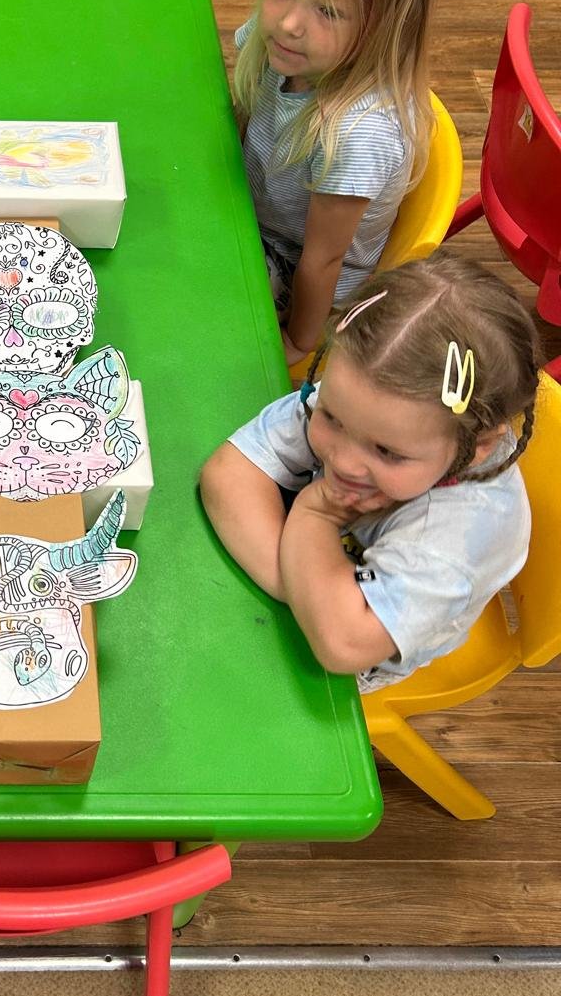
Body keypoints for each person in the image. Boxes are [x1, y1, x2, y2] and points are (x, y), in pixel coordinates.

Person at [199, 252, 540, 693]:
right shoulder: (371, 400)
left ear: (477, 447)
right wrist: (307, 590)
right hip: (307, 590)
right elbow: (228, 474)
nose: (342, 461)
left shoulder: (452, 540)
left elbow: (342, 644)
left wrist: (314, 515)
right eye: (331, 418)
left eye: (386, 452)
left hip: (348, 674)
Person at [232, 0, 445, 368]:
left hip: (293, 268)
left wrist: (298, 343)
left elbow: (323, 259)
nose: (288, 22)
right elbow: (243, 107)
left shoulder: (357, 133)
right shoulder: (290, 45)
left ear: (383, 27)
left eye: (328, 10)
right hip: (249, 218)